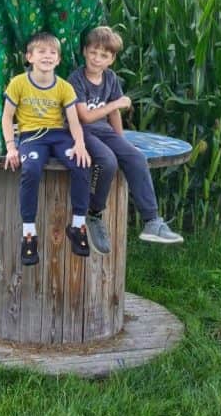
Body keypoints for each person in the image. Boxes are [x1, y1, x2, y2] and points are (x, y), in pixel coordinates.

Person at [68, 26, 183, 253]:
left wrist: (122, 142)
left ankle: (152, 221)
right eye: (93, 52)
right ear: (84, 51)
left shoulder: (111, 78)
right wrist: (116, 104)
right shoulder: (76, 79)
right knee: (107, 161)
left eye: (103, 55)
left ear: (111, 59)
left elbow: (114, 114)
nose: (97, 59)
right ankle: (94, 213)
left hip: (104, 130)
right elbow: (85, 117)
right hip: (82, 131)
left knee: (136, 157)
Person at [2, 31, 107, 266]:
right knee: (31, 169)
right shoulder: (18, 83)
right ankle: (29, 233)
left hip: (59, 135)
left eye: (52, 53)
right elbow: (7, 118)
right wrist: (11, 147)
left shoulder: (64, 87)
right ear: (29, 57)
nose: (47, 56)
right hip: (32, 136)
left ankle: (78, 225)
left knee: (82, 163)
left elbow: (74, 120)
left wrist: (80, 144)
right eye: (41, 51)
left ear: (58, 60)